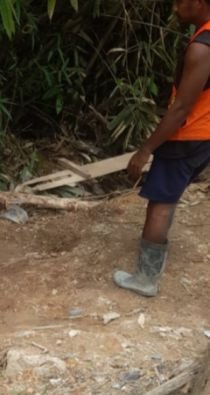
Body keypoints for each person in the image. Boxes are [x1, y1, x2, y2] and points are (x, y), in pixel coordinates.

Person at [116, 0, 210, 297]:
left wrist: (146, 150)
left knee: (160, 202)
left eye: (180, 2)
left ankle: (146, 278)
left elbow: (181, 108)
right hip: (205, 133)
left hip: (188, 135)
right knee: (167, 195)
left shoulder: (202, 47)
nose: (173, 8)